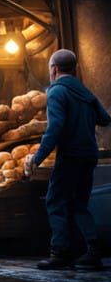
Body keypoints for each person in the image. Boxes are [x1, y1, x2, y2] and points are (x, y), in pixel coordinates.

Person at [24, 49, 110, 270]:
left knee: (55, 201)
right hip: (89, 155)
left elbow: (55, 128)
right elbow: (104, 118)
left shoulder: (56, 92)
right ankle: (93, 251)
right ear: (75, 69)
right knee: (80, 204)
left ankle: (59, 253)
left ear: (53, 69)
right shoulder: (86, 92)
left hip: (70, 155)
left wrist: (37, 158)